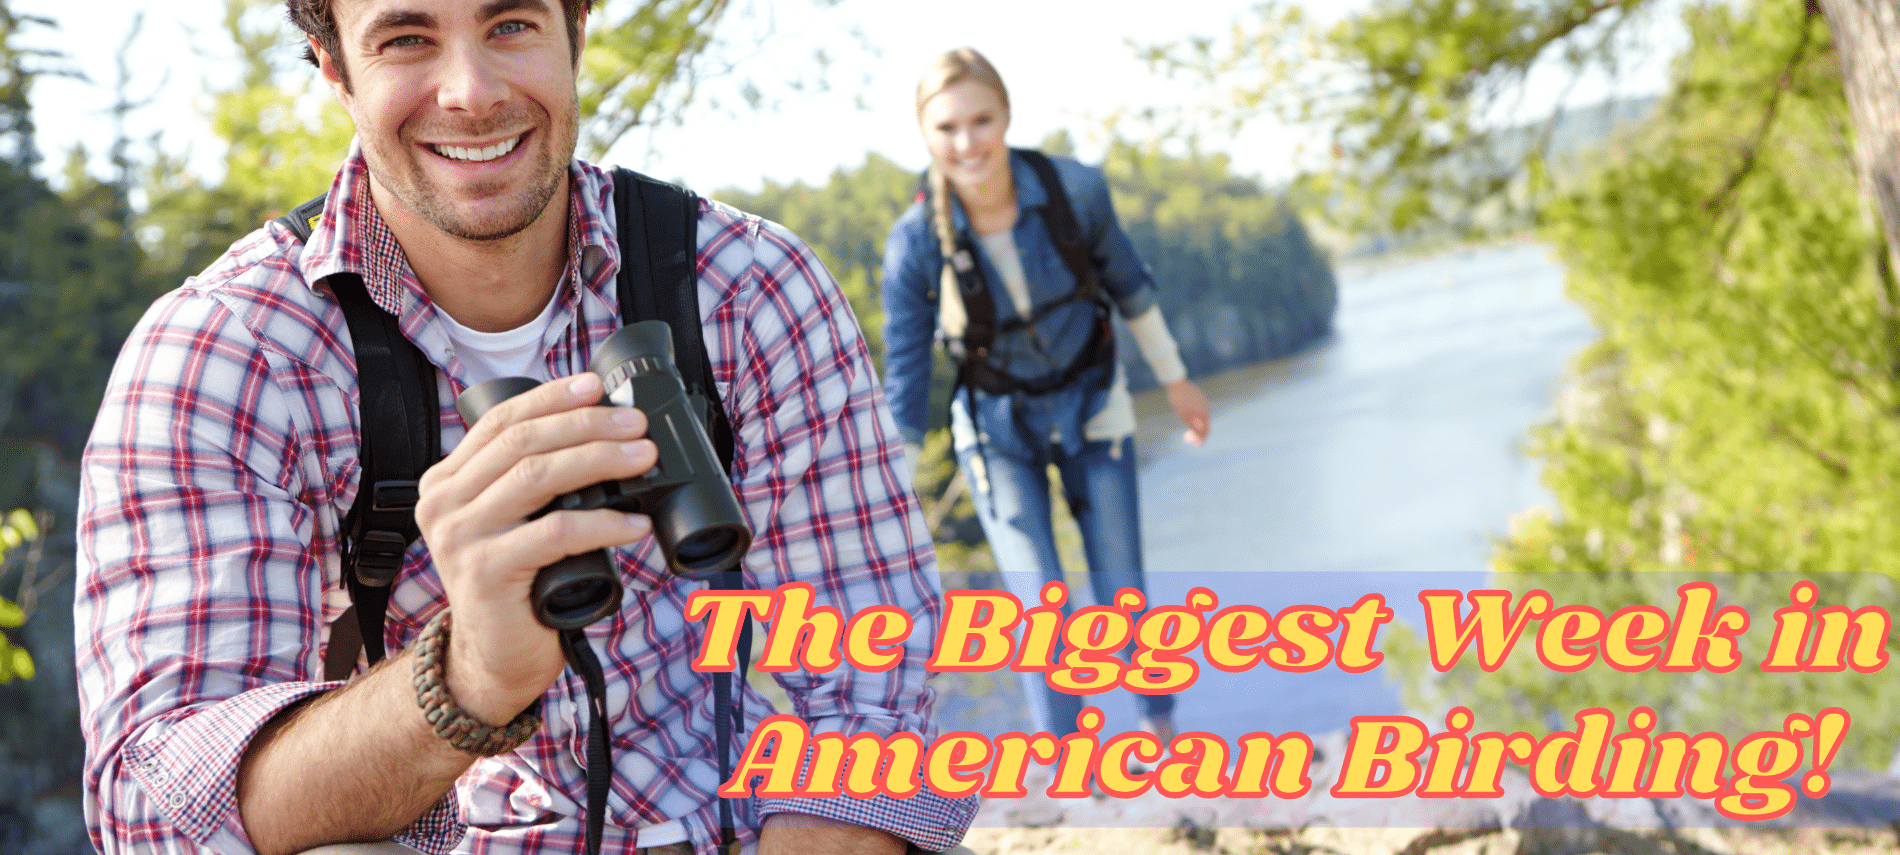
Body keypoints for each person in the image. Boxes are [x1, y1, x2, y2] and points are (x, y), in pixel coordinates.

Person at [72, 1, 975, 853]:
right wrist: (466, 680)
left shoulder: (744, 287)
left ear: (576, 30)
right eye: (406, 38)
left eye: (509, 23)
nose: (472, 90)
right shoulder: (232, 356)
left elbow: (877, 691)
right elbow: (158, 805)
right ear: (334, 68)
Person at [879, 48, 1212, 743]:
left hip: (1093, 401)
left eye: (981, 120)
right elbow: (907, 374)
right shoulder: (915, 241)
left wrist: (1176, 380)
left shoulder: (1073, 190)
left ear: (1006, 117)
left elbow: (1129, 282)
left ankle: (1159, 734)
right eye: (947, 128)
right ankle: (1072, 763)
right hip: (997, 428)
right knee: (1040, 605)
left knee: (1123, 590)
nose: (967, 142)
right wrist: (892, 491)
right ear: (924, 135)